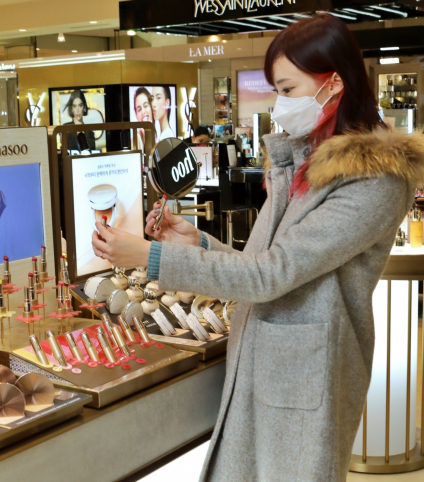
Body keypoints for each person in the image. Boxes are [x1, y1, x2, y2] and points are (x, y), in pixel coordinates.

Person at [91, 13, 424, 481]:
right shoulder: (299, 164)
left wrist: (150, 258)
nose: (278, 103)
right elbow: (261, 267)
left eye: (287, 89)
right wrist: (197, 242)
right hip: (261, 365)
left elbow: (271, 276)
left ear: (334, 84)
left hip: (308, 381)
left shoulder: (374, 180)